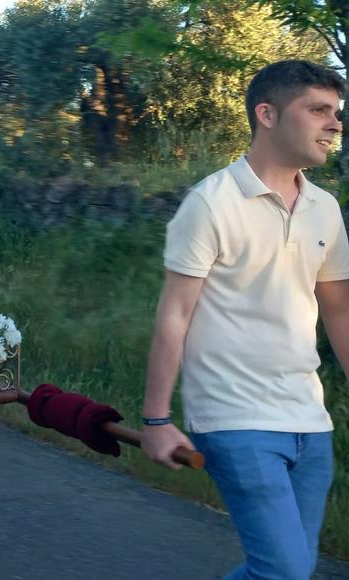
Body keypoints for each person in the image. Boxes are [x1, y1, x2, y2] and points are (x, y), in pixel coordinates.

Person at [142, 60, 349, 580]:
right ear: (268, 114)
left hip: (310, 421)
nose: (335, 124)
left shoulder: (325, 207)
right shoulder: (210, 203)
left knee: (292, 571)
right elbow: (174, 315)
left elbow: (340, 311)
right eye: (319, 110)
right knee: (283, 571)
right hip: (235, 417)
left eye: (337, 113)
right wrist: (156, 419)